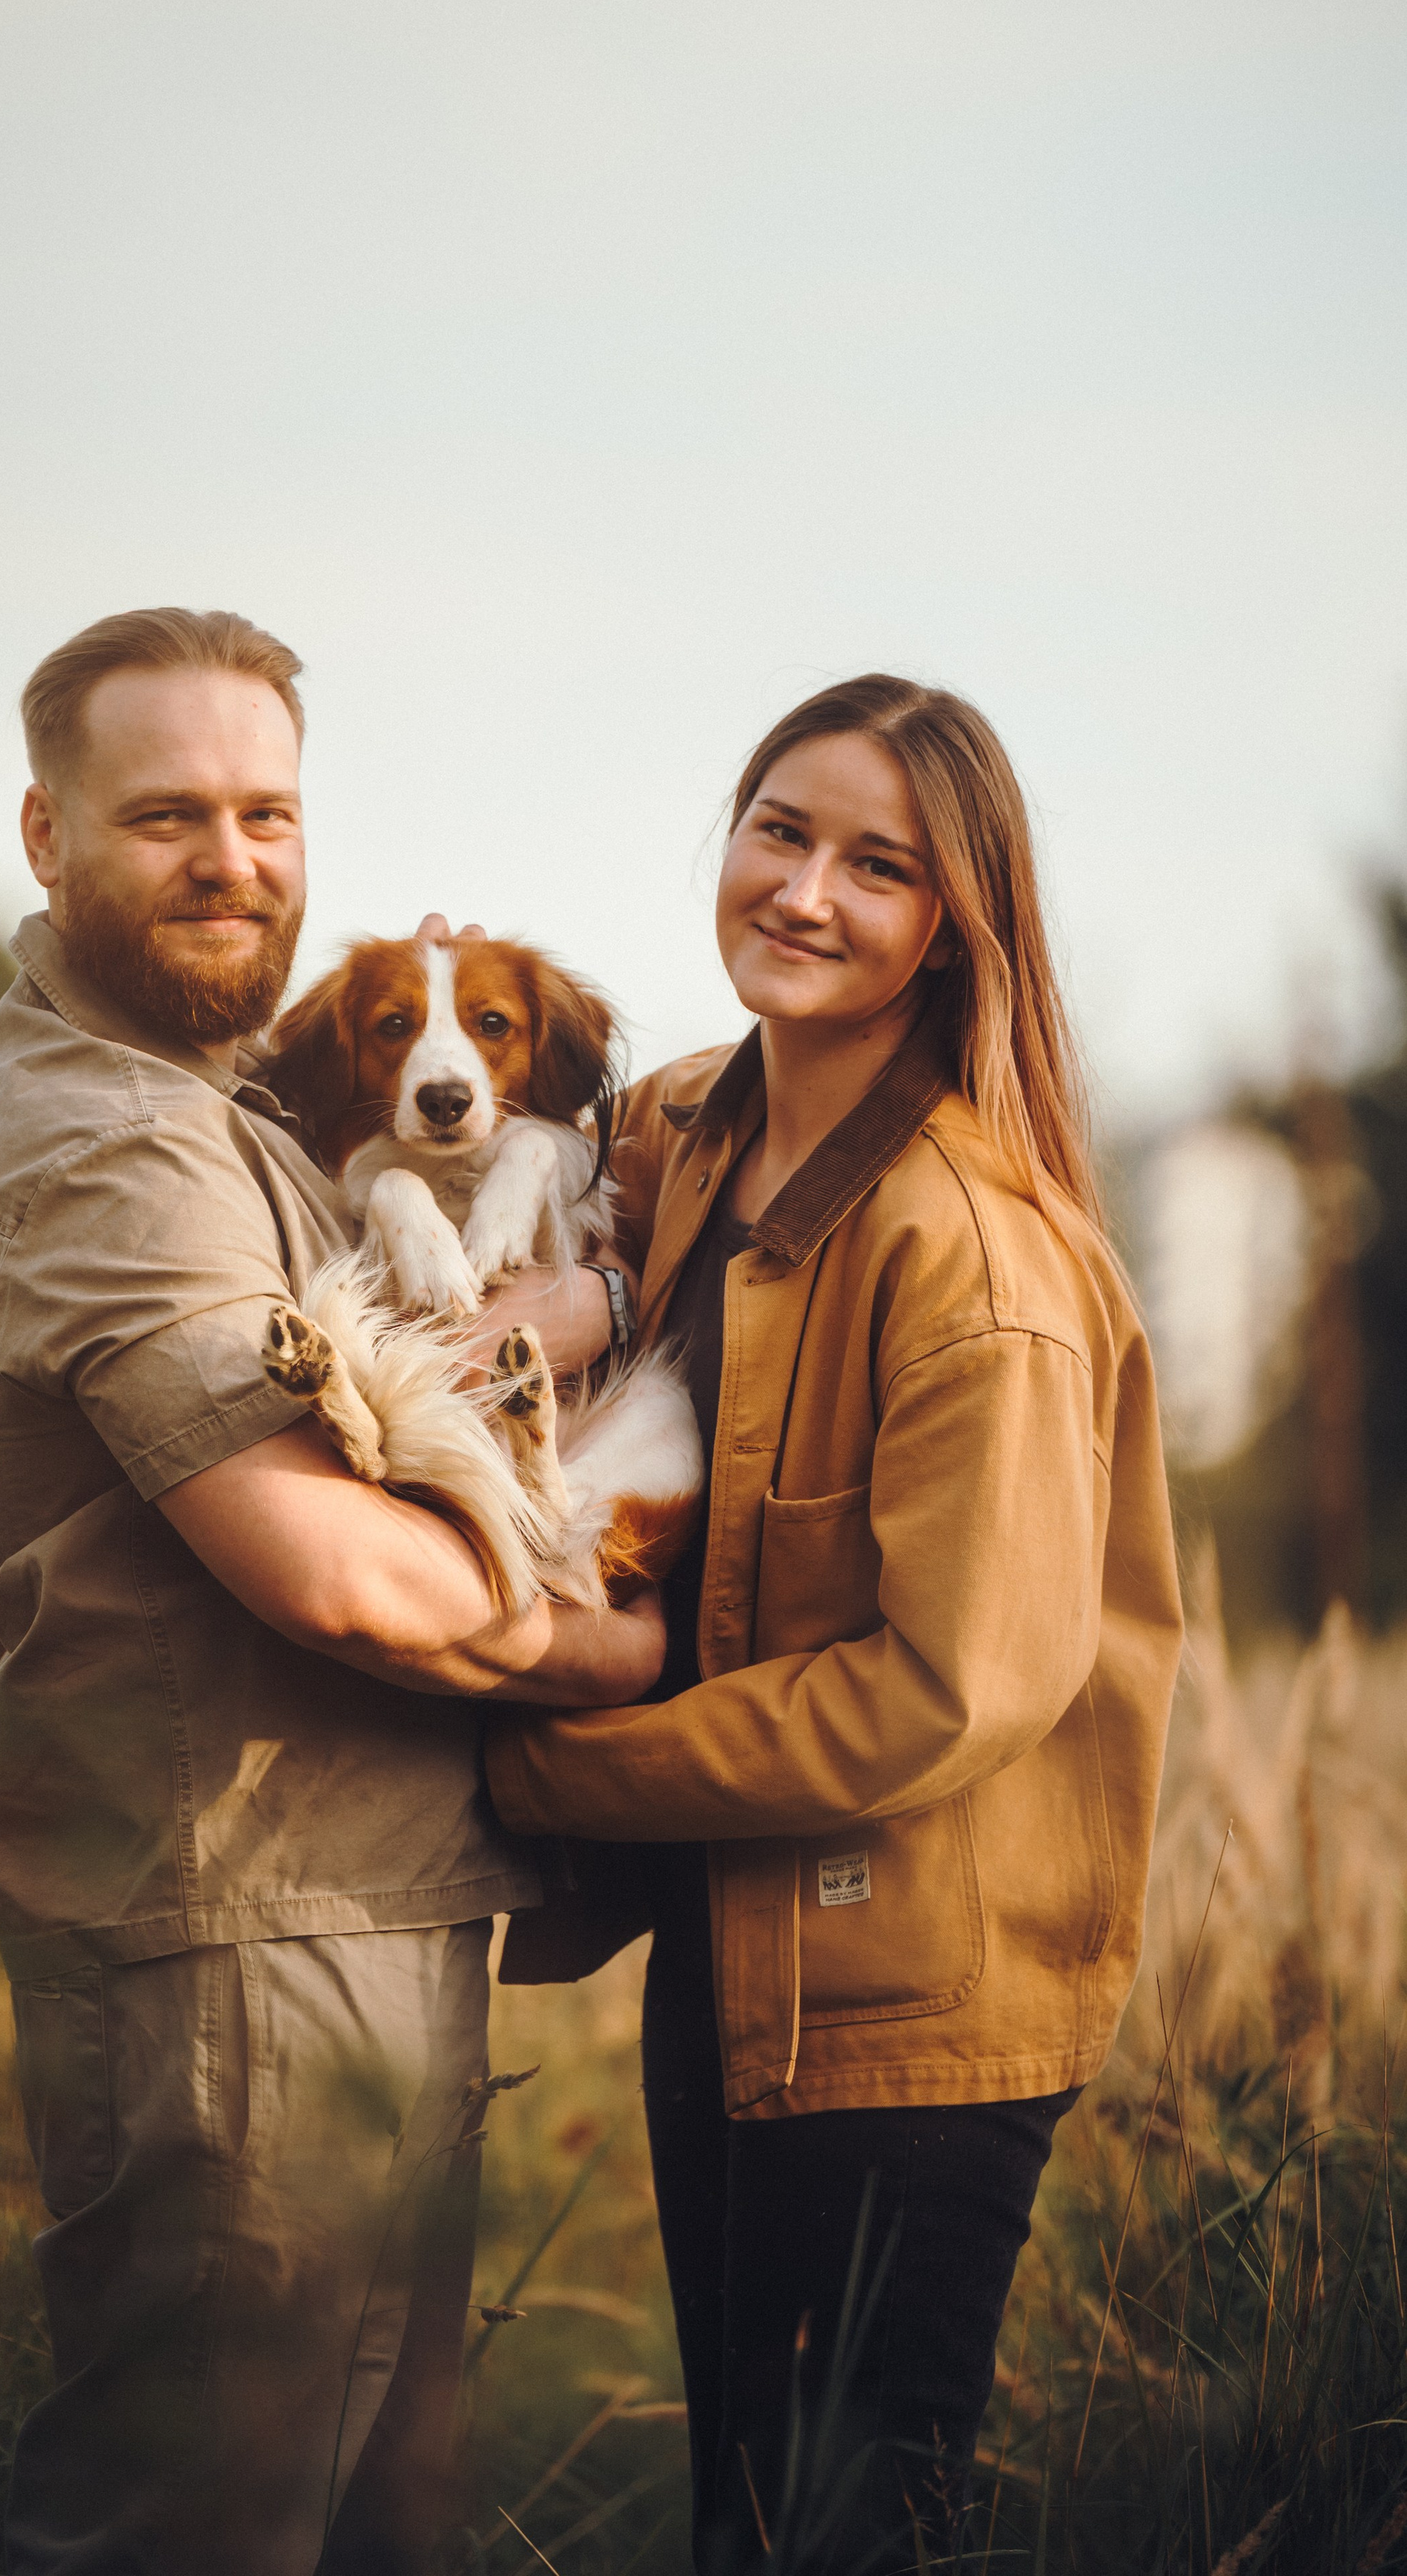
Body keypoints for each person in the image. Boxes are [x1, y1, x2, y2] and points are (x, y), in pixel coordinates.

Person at [0, 605, 662, 2576]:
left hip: (371, 1906)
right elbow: (339, 1580)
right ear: (43, 834)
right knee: (204, 2531)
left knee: (383, 2524)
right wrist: (649, 1659)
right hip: (231, 1946)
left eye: (268, 809)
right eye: (167, 813)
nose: (233, 860)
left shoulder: (233, 1103)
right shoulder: (98, 1145)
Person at [487, 675, 1184, 2571]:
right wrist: (553, 1296)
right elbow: (520, 1153)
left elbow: (943, 1690)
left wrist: (552, 1781)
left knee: (848, 2526)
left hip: (913, 2003)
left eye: (879, 866)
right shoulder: (697, 1131)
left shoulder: (977, 1251)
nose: (805, 892)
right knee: (753, 2516)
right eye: (780, 829)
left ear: (954, 926)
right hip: (733, 1939)